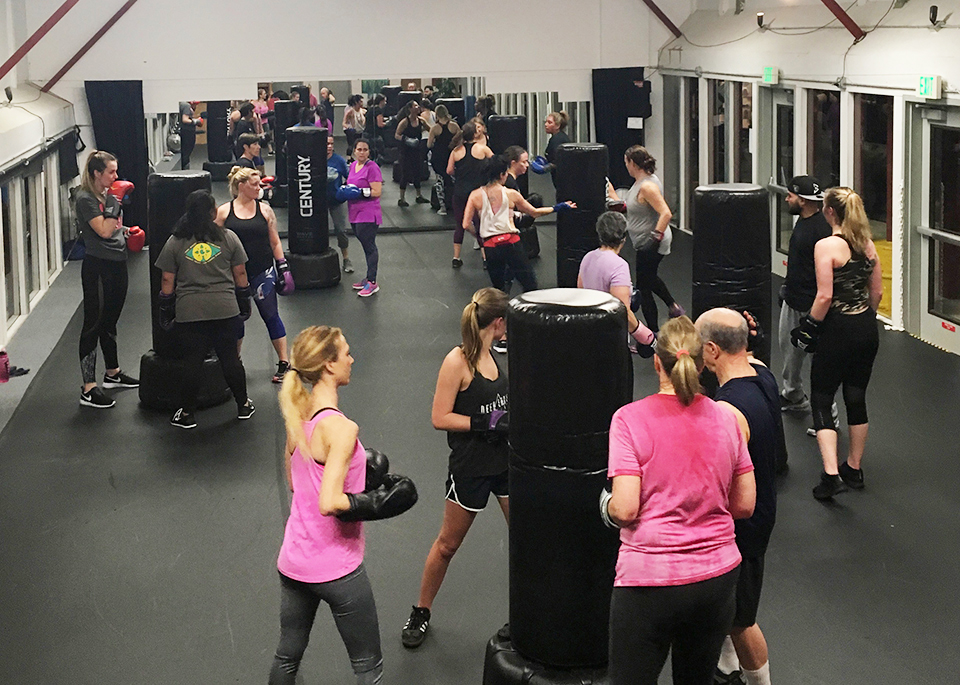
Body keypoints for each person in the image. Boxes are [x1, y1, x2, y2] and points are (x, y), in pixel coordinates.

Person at [602, 316, 756, 685]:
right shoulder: (727, 418)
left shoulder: (628, 420)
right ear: (702, 364)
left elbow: (625, 509)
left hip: (649, 582)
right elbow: (745, 504)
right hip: (716, 580)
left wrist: (605, 505)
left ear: (657, 362)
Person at [271, 326, 382, 684]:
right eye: (346, 353)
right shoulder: (342, 429)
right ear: (330, 365)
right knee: (368, 667)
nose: (352, 359)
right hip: (337, 569)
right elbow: (329, 501)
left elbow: (296, 483)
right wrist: (376, 503)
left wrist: (359, 477)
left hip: (294, 563)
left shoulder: (298, 415)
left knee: (287, 657)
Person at [402, 288, 510, 649]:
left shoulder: (493, 354)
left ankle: (530, 612)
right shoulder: (457, 361)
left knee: (526, 540)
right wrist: (485, 423)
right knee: (447, 545)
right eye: (507, 324)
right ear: (497, 323)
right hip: (471, 467)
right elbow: (440, 417)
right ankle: (421, 611)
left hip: (504, 463)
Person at [696, 308, 780, 685]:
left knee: (743, 620)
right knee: (728, 611)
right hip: (762, 509)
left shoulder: (727, 412)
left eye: (699, 347)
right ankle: (726, 667)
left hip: (741, 525)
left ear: (713, 350)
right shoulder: (762, 374)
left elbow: (713, 479)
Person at [792, 187, 882, 501]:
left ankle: (831, 475)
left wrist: (807, 328)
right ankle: (854, 469)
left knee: (821, 397)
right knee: (856, 397)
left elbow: (825, 296)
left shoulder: (826, 246)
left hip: (837, 330)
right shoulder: (868, 244)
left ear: (830, 212)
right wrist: (864, 319)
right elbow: (876, 293)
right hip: (866, 328)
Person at [155, 190, 254, 428]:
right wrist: (244, 301)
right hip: (224, 308)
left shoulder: (175, 241)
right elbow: (240, 273)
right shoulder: (228, 237)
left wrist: (166, 308)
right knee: (230, 359)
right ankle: (243, 404)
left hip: (190, 312)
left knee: (192, 363)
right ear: (212, 212)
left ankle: (187, 414)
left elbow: (167, 280)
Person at [74, 151, 139, 408]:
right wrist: (114, 201)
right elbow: (102, 230)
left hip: (117, 263)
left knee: (110, 320)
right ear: (96, 173)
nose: (116, 176)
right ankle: (88, 388)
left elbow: (113, 227)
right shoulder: (86, 198)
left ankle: (112, 373)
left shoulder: (105, 195)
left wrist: (127, 231)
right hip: (98, 267)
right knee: (93, 324)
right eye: (111, 171)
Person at [217, 166, 293, 382]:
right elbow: (213, 242)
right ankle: (235, 361)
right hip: (234, 275)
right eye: (255, 184)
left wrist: (282, 265)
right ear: (241, 186)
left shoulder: (265, 210)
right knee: (236, 320)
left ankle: (284, 362)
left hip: (262, 272)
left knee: (271, 316)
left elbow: (274, 241)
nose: (260, 188)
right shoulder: (224, 212)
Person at [463, 157, 573, 293]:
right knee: (530, 285)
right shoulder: (511, 194)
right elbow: (534, 212)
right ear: (502, 175)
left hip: (491, 246)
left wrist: (478, 235)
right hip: (511, 243)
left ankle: (501, 305)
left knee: (499, 290)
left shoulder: (474, 195)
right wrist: (557, 208)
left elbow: (466, 224)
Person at [779, 176, 832, 414]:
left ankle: (827, 416)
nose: (786, 199)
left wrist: (815, 315)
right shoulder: (802, 221)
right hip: (792, 299)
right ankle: (793, 396)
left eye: (790, 196)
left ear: (801, 200)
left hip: (812, 306)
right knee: (789, 351)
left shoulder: (822, 230)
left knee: (818, 362)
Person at [619, 145, 684, 331]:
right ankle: (673, 307)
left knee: (643, 288)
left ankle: (652, 332)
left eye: (626, 163)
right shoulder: (642, 181)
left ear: (633, 163)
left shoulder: (647, 186)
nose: (626, 166)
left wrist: (654, 240)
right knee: (649, 278)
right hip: (645, 241)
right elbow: (641, 206)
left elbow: (666, 213)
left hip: (652, 242)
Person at [577, 212, 656, 355]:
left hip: (588, 333)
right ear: (624, 238)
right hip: (611, 339)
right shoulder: (619, 265)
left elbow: (581, 293)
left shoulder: (587, 257)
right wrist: (648, 339)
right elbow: (621, 312)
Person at [341, 138, 384, 297]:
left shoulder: (372, 167)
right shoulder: (353, 166)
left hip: (368, 213)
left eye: (365, 150)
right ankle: (368, 277)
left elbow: (377, 191)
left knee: (369, 246)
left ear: (369, 152)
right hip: (354, 211)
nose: (362, 152)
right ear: (354, 151)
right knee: (366, 246)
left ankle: (372, 282)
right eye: (359, 149)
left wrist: (360, 192)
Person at [448, 120, 493, 268]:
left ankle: (456, 258)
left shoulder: (456, 151)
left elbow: (449, 171)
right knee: (480, 224)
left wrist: (461, 174)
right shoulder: (482, 149)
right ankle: (485, 258)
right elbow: (496, 164)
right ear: (475, 134)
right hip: (476, 192)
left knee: (460, 225)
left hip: (460, 192)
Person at [326, 133, 354, 274]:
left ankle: (346, 259)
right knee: (318, 232)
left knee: (341, 230)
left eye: (331, 144)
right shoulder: (314, 159)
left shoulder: (339, 161)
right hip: (319, 202)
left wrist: (343, 191)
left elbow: (350, 178)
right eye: (327, 144)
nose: (329, 146)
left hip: (335, 200)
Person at [394, 100, 429, 207]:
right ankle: (402, 198)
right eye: (415, 106)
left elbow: (431, 129)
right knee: (405, 174)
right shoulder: (405, 122)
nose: (418, 107)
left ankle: (419, 195)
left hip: (416, 151)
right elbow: (397, 135)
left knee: (417, 173)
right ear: (410, 109)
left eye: (418, 106)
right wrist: (406, 139)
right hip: (405, 152)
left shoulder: (421, 121)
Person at [427, 104, 460, 216]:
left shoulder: (435, 128)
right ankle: (456, 205)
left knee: (440, 182)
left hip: (438, 158)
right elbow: (460, 142)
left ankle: (443, 207)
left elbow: (429, 144)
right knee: (453, 181)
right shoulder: (454, 126)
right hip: (451, 157)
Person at [542, 111, 570, 188]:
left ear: (557, 126)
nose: (546, 125)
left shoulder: (557, 140)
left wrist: (549, 166)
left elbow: (560, 160)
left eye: (549, 122)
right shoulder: (559, 137)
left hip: (563, 177)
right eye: (546, 122)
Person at [178, 101, 202, 170]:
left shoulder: (183, 104)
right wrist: (196, 121)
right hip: (187, 132)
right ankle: (185, 169)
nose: (195, 107)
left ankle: (184, 168)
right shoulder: (186, 106)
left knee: (185, 153)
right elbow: (185, 119)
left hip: (184, 131)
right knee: (187, 153)